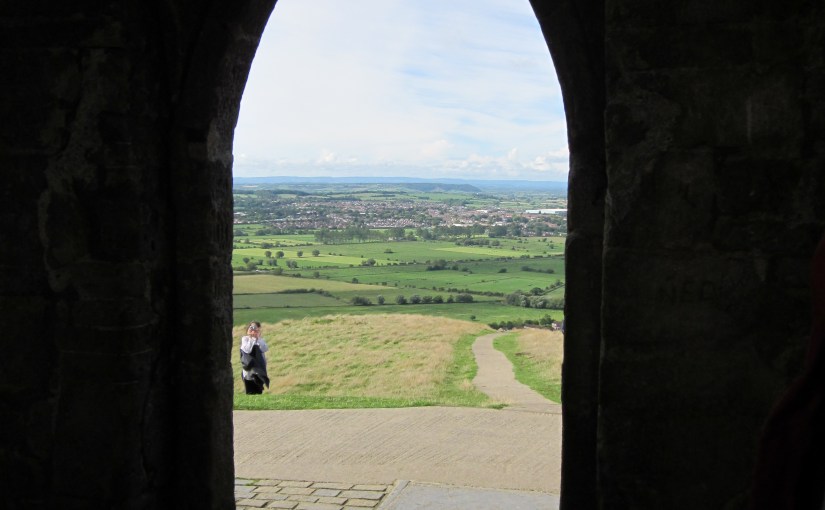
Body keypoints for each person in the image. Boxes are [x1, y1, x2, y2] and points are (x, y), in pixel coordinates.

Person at [240, 321, 270, 394]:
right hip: (249, 368)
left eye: (256, 328)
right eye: (251, 328)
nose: (253, 330)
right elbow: (247, 350)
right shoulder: (245, 339)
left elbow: (265, 349)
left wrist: (257, 338)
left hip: (259, 367)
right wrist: (252, 339)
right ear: (247, 330)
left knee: (259, 390)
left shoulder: (260, 339)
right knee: (250, 390)